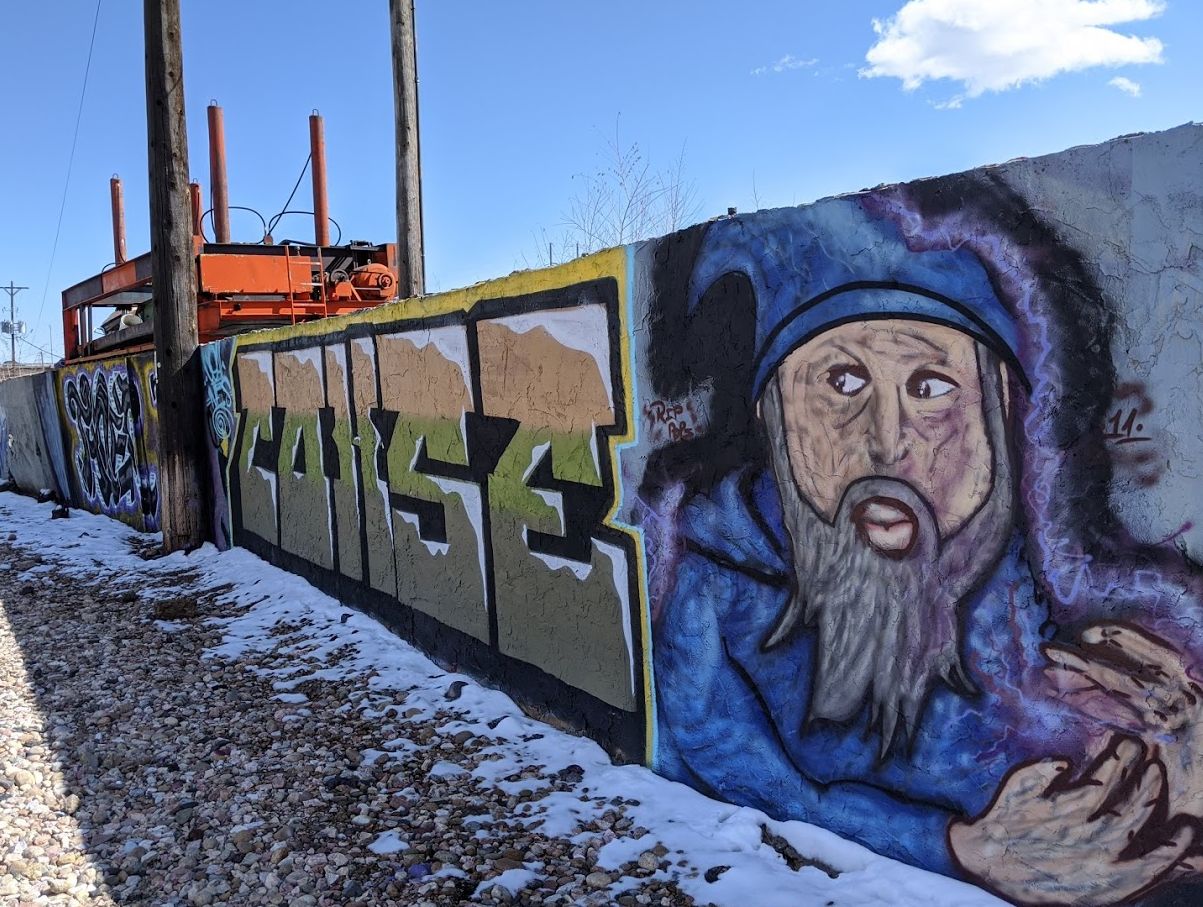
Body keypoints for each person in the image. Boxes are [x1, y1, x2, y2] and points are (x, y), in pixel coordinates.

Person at [648, 190, 1203, 905]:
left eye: (931, 386)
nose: (886, 441)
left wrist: (1180, 772)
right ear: (772, 408)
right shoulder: (713, 574)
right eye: (842, 381)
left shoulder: (1016, 575)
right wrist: (953, 848)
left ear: (996, 410)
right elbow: (730, 760)